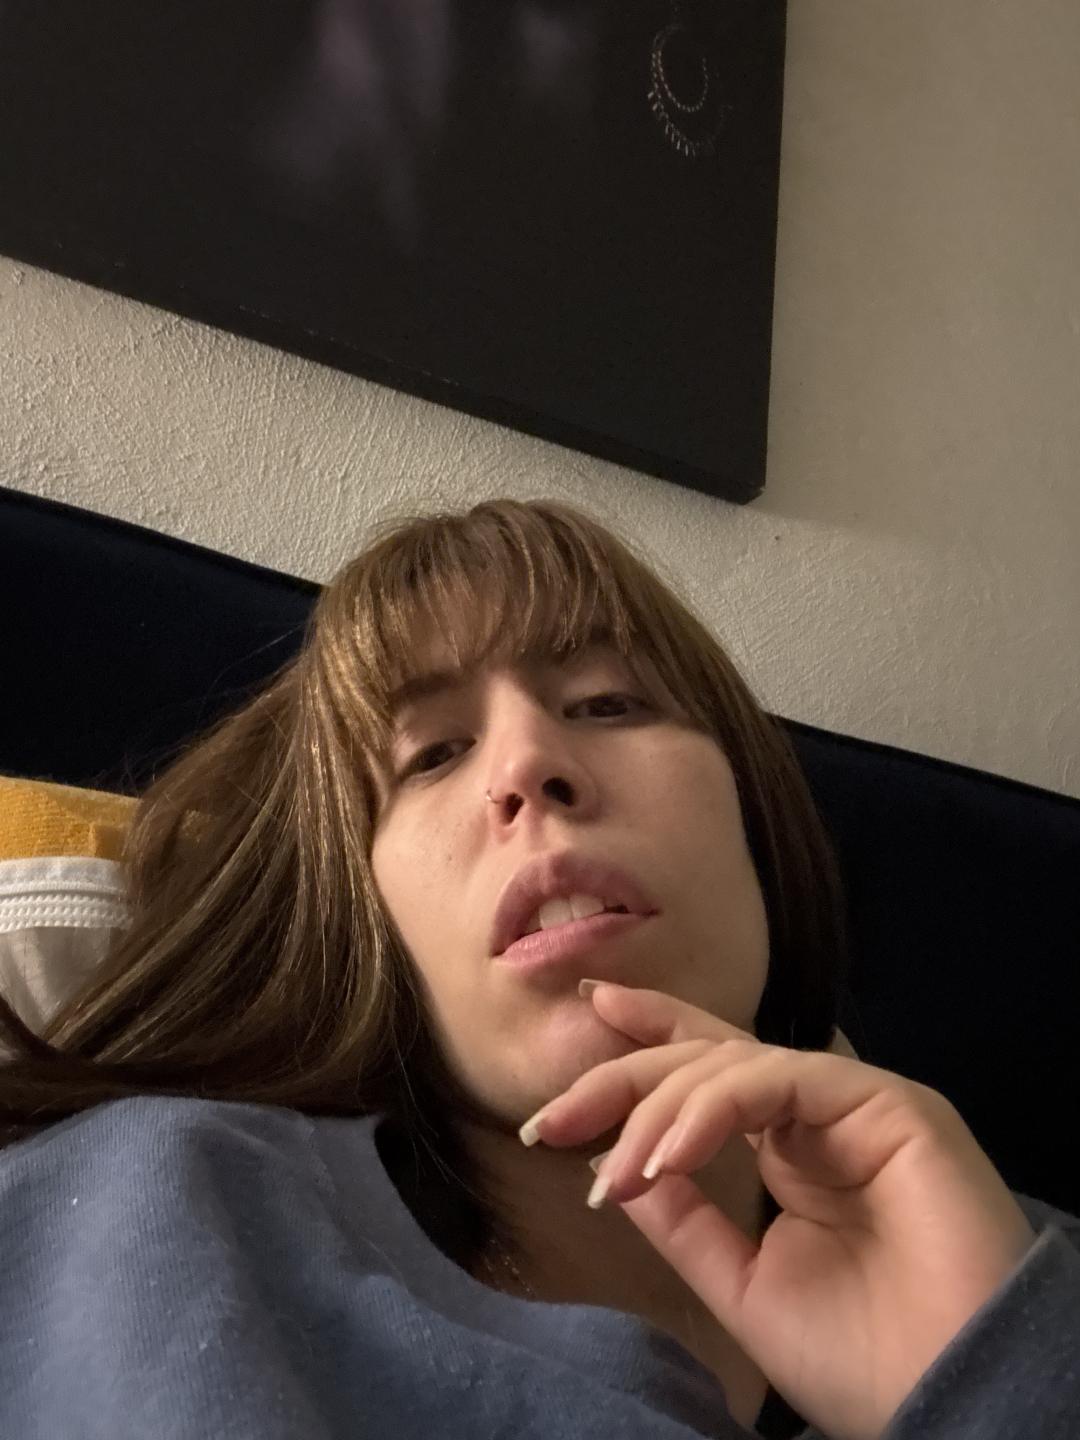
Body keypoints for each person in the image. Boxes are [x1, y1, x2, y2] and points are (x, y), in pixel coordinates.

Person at [1, 497, 1078, 1440]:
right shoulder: (167, 1207)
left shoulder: (1024, 1277)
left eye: (609, 702)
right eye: (431, 755)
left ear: (755, 817)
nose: (526, 766)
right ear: (367, 921)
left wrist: (1000, 1382)